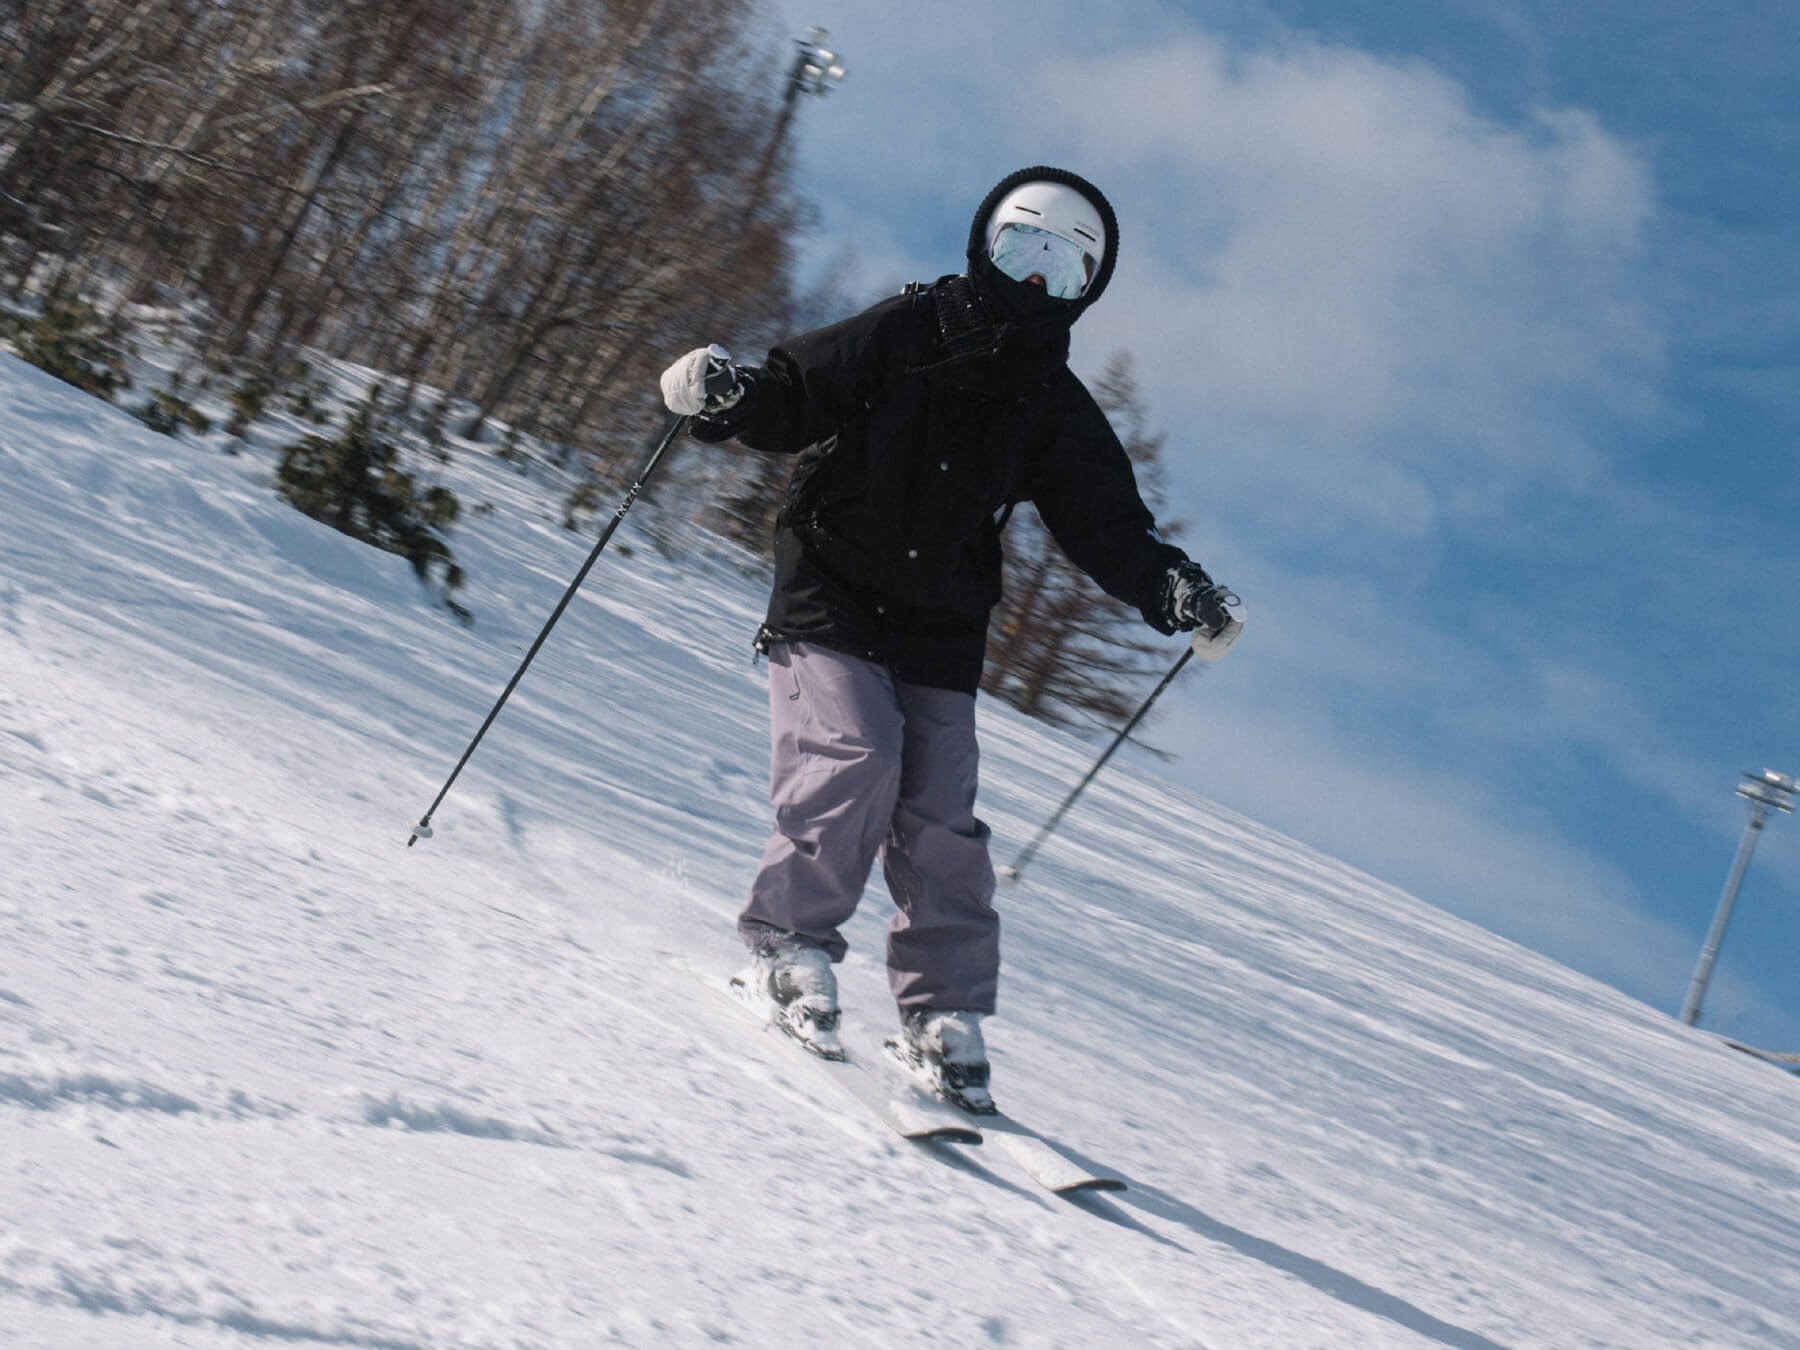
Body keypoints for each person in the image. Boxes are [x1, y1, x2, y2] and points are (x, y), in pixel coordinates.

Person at [659, 166, 1240, 1113]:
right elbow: (799, 389)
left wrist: (1172, 588)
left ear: (1088, 289)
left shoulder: (1053, 403)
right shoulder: (910, 327)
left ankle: (941, 1011)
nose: (1036, 281)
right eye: (1023, 252)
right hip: (835, 577)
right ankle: (790, 944)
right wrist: (726, 396)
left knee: (941, 813)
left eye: (1063, 269)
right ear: (984, 245)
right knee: (853, 754)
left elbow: (1106, 525)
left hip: (940, 614)